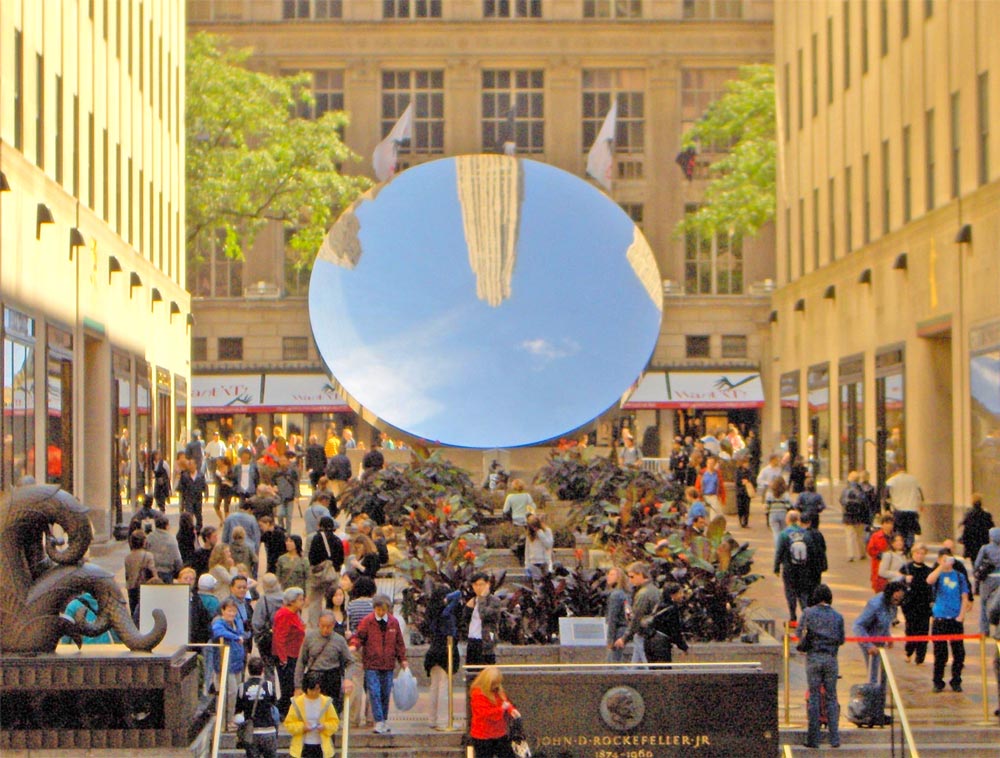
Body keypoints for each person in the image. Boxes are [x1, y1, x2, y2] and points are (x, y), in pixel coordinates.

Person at [350, 594, 408, 734]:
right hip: (372, 663)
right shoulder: (368, 621)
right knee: (374, 692)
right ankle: (379, 720)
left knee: (385, 692)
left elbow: (399, 643)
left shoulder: (393, 622)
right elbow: (359, 636)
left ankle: (384, 719)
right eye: (378, 609)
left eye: (384, 609)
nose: (381, 612)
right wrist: (354, 645)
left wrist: (403, 660)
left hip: (388, 664)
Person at [798, 584, 844, 750]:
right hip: (831, 659)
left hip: (813, 658)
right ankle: (834, 738)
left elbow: (799, 634)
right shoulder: (838, 616)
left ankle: (813, 738)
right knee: (832, 696)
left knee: (814, 696)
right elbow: (841, 639)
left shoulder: (808, 613)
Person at [927, 547, 973, 692]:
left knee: (959, 652)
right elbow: (929, 580)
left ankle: (956, 680)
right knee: (940, 653)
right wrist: (941, 567)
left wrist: (961, 615)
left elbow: (964, 597)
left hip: (955, 618)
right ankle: (938, 681)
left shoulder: (959, 576)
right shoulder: (938, 575)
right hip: (940, 617)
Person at [294, 610, 357, 714]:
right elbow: (301, 662)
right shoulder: (310, 637)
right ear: (318, 623)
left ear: (333, 625)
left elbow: (350, 662)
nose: (325, 629)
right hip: (314, 677)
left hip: (332, 678)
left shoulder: (339, 640)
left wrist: (348, 679)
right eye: (322, 626)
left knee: (331, 713)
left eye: (329, 626)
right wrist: (298, 686)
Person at [424, 584, 463, 730]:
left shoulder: (432, 611)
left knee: (434, 686)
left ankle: (432, 719)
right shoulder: (446, 613)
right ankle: (444, 720)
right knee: (444, 687)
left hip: (433, 652)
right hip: (445, 651)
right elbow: (459, 594)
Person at [853, 580, 907, 683]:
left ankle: (879, 689)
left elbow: (885, 622)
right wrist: (868, 645)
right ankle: (872, 692)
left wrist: (888, 636)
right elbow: (858, 625)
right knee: (873, 671)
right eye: (896, 599)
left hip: (880, 639)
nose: (897, 602)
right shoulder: (875, 605)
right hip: (868, 640)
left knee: (883, 670)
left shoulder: (893, 604)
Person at [284, 670, 340, 758]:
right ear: (306, 688)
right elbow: (289, 724)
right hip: (302, 747)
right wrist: (302, 727)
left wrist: (324, 726)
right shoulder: (297, 702)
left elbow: (335, 723)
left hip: (322, 747)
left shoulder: (326, 702)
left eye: (317, 689)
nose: (314, 692)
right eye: (312, 689)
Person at [468, 665, 520, 758]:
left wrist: (511, 710)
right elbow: (486, 714)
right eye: (494, 683)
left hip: (499, 733)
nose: (496, 686)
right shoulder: (477, 693)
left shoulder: (498, 690)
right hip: (483, 736)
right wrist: (502, 709)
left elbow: (505, 702)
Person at [213, 597, 249, 730]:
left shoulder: (237, 623)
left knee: (235, 693)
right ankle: (223, 721)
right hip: (225, 665)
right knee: (229, 692)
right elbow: (218, 632)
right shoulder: (219, 623)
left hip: (237, 664)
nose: (232, 614)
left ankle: (230, 719)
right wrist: (235, 637)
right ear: (223, 611)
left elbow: (243, 634)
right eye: (229, 611)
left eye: (234, 611)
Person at [613, 562, 659, 664]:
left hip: (643, 633)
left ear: (640, 574)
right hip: (651, 633)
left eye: (632, 577)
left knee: (645, 665)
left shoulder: (643, 594)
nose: (630, 580)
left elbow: (636, 619)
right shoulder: (654, 589)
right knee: (637, 665)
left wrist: (624, 638)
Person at [234, 656, 279, 758]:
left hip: (251, 733)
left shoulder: (242, 688)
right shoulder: (269, 686)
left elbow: (238, 711)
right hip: (269, 730)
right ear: (262, 670)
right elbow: (274, 703)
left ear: (248, 670)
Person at [273, 587, 307, 717]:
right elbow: (279, 637)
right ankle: (283, 712)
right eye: (299, 599)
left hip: (294, 653)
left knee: (292, 684)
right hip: (287, 655)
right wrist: (283, 658)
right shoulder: (284, 614)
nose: (302, 602)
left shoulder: (295, 614)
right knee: (288, 686)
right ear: (291, 601)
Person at [774, 510, 812, 622]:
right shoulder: (805, 534)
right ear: (798, 520)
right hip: (803, 568)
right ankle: (806, 614)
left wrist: (776, 567)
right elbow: (811, 550)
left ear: (788, 520)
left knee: (790, 592)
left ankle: (792, 615)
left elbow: (779, 551)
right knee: (803, 592)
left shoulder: (784, 534)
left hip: (789, 568)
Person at [900, 542, 934, 664]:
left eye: (922, 554)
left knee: (923, 630)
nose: (919, 556)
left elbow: (931, 588)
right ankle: (909, 651)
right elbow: (899, 585)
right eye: (917, 553)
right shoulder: (906, 569)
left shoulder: (928, 570)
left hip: (924, 605)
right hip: (910, 604)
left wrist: (932, 601)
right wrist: (905, 579)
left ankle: (920, 656)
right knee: (910, 629)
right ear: (913, 554)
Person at [307, 516, 345, 627]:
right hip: (332, 575)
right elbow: (341, 559)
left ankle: (314, 625)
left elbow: (312, 558)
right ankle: (331, 622)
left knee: (315, 601)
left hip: (318, 575)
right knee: (331, 600)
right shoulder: (337, 540)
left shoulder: (316, 538)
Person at [464, 572, 503, 666]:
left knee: (487, 673)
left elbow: (485, 614)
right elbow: (465, 620)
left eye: (481, 584)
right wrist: (468, 608)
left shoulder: (494, 601)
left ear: (487, 584)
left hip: (486, 641)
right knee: (472, 672)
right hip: (472, 640)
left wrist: (482, 598)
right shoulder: (472, 600)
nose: (478, 587)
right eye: (475, 585)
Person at [644, 582, 689, 663]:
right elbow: (675, 630)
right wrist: (683, 647)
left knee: (653, 671)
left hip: (649, 641)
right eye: (680, 593)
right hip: (661, 644)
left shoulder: (658, 605)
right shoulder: (672, 609)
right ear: (672, 595)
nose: (682, 595)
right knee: (664, 671)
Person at [253, 573, 284, 683]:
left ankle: (271, 694)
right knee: (283, 670)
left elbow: (257, 622)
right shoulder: (286, 599)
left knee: (268, 669)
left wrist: (258, 638)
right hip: (284, 641)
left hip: (268, 640)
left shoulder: (263, 600)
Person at [885, 467, 923, 552]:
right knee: (911, 531)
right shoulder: (914, 480)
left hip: (898, 510)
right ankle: (909, 548)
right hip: (912, 510)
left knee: (899, 530)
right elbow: (920, 494)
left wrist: (887, 508)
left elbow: (886, 494)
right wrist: (920, 504)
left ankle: (900, 548)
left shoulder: (892, 480)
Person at [123, 529, 156, 623]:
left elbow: (127, 575)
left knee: (134, 613)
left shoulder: (128, 557)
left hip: (131, 587)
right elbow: (153, 573)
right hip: (144, 586)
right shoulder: (148, 555)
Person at [840, 471, 868, 562]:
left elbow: (841, 501)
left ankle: (850, 555)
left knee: (849, 536)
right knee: (860, 535)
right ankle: (862, 553)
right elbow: (864, 503)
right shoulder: (861, 490)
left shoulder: (845, 490)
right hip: (859, 516)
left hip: (848, 516)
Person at [146, 513, 182, 583]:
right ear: (167, 526)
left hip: (151, 572)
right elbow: (177, 559)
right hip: (167, 573)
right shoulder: (171, 539)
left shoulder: (149, 537)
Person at [960, 493, 994, 564]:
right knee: (983, 561)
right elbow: (991, 528)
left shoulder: (968, 515)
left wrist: (963, 540)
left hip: (972, 543)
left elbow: (966, 530)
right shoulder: (986, 515)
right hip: (983, 542)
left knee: (974, 561)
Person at [604, 567, 629, 663]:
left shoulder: (615, 595)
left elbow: (612, 618)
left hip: (618, 632)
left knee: (614, 662)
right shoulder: (625, 593)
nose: (608, 577)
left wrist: (610, 640)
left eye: (612, 575)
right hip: (624, 630)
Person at [866, 514, 895, 593]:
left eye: (891, 523)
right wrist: (879, 555)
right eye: (887, 523)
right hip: (878, 563)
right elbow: (870, 549)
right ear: (882, 524)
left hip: (892, 565)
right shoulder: (876, 536)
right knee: (880, 586)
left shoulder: (895, 536)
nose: (889, 526)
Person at [274, 451, 301, 533]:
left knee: (289, 518)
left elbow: (296, 484)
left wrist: (297, 496)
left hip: (290, 497)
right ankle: (281, 530)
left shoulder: (292, 473)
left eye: (284, 461)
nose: (283, 463)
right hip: (280, 498)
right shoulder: (276, 474)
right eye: (281, 461)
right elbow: (273, 484)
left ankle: (288, 534)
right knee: (280, 515)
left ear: (288, 462)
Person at [766, 476, 793, 545]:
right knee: (784, 532)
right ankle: (784, 547)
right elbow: (788, 506)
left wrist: (767, 518)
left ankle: (778, 547)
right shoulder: (785, 494)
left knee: (776, 533)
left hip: (772, 514)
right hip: (783, 514)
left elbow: (767, 507)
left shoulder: (769, 493)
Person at [214, 456, 236, 522]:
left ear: (222, 461)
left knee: (226, 507)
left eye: (218, 461)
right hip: (220, 489)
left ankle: (226, 521)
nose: (217, 462)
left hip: (228, 489)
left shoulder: (230, 468)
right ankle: (221, 519)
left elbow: (233, 477)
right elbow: (215, 479)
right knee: (216, 505)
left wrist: (225, 476)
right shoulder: (217, 469)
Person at [734, 457, 754, 528]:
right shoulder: (738, 471)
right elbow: (737, 480)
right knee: (740, 507)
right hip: (740, 492)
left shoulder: (749, 471)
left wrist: (748, 481)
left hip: (747, 492)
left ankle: (745, 521)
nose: (746, 464)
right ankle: (740, 519)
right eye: (745, 463)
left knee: (747, 508)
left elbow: (752, 478)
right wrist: (743, 482)